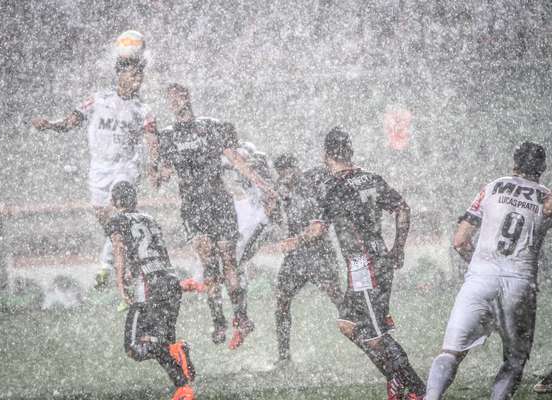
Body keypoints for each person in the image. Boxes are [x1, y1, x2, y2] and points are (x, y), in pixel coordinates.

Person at [274, 127, 425, 399]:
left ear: (326, 155)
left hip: (364, 266)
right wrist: (398, 248)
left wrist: (291, 243)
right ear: (349, 151)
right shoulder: (370, 178)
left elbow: (317, 230)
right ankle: (396, 379)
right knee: (348, 325)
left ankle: (416, 389)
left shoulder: (331, 187)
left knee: (375, 336)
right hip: (376, 260)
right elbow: (402, 208)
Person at [149, 83, 276, 349]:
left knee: (229, 260)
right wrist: (154, 163)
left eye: (179, 96)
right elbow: (161, 177)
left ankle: (240, 317)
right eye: (171, 98)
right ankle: (218, 320)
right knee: (209, 264)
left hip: (218, 200)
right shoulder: (168, 136)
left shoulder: (210, 126)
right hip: (193, 205)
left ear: (188, 97)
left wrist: (263, 186)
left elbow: (237, 161)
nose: (175, 102)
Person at [425, 142, 552, 400]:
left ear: (514, 163)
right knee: (514, 360)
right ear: (543, 167)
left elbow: (460, 240)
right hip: (520, 283)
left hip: (480, 280)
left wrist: (480, 265)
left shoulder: (492, 187)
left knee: (451, 352)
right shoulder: (547, 198)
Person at [32, 46, 156, 288]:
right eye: (133, 75)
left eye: (140, 76)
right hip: (99, 170)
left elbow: (152, 139)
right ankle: (125, 265)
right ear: (120, 75)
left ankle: (112, 268)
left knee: (122, 213)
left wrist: (153, 163)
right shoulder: (98, 100)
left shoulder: (143, 109)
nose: (138, 80)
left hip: (125, 168)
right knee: (109, 223)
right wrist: (49, 125)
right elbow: (70, 122)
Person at [106, 181, 196, 400]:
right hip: (169, 280)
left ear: (116, 201)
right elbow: (159, 251)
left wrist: (120, 283)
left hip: (149, 285)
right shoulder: (150, 219)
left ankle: (184, 383)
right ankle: (182, 383)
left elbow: (119, 250)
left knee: (135, 346)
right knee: (164, 341)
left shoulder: (116, 220)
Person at [269, 153, 343, 364]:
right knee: (282, 300)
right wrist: (273, 209)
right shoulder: (282, 190)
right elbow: (276, 218)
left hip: (319, 253)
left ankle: (368, 337)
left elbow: (318, 227)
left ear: (296, 167)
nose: (285, 177)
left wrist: (297, 240)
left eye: (288, 171)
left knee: (337, 297)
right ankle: (283, 356)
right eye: (281, 173)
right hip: (296, 257)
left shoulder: (312, 184)